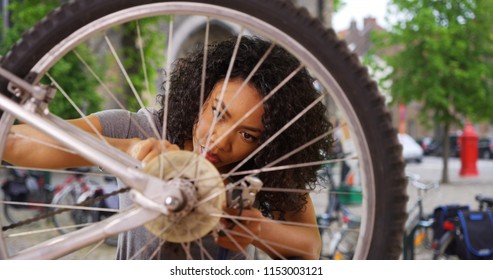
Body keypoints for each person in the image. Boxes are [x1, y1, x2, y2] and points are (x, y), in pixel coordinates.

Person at [3, 36, 333, 260]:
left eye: (247, 135)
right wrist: (126, 150)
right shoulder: (142, 129)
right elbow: (15, 144)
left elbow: (309, 250)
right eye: (218, 113)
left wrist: (256, 228)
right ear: (201, 92)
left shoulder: (267, 166)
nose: (219, 139)